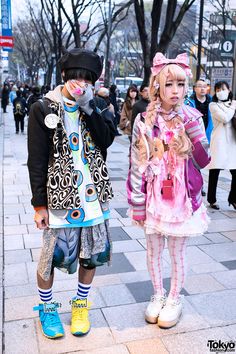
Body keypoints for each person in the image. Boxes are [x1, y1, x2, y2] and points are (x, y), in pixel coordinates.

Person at [27, 47, 116, 339]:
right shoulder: (43, 107)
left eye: (87, 79)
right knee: (51, 255)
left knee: (91, 254)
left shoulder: (97, 105)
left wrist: (89, 106)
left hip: (93, 195)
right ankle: (47, 308)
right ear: (64, 76)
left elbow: (106, 140)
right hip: (59, 199)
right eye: (76, 77)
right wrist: (39, 204)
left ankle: (80, 305)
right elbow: (37, 159)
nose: (81, 83)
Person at [127, 52, 210, 329]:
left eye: (181, 84)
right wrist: (137, 202)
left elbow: (204, 160)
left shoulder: (193, 117)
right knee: (152, 251)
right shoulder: (144, 119)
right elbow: (137, 163)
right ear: (157, 87)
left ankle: (175, 298)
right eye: (169, 84)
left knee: (176, 252)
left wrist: (190, 136)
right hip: (154, 196)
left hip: (181, 198)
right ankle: (158, 294)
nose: (176, 91)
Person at [207, 81, 236, 210]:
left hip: (232, 140)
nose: (220, 91)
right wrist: (234, 106)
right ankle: (211, 199)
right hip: (219, 141)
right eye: (218, 90)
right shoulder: (213, 105)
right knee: (215, 171)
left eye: (223, 89)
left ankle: (233, 199)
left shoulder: (232, 104)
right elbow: (225, 118)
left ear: (229, 90)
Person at [185, 79, 213, 196]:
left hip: (209, 133)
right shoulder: (189, 102)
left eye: (204, 86)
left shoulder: (212, 101)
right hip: (193, 136)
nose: (202, 88)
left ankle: (198, 184)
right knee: (194, 161)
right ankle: (196, 185)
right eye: (199, 86)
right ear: (195, 88)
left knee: (204, 161)